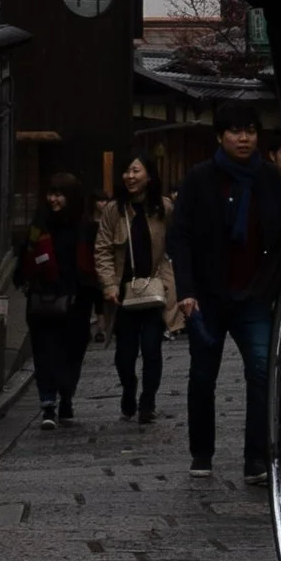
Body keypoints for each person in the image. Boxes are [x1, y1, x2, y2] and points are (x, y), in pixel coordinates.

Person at [169, 107, 281, 482]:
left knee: (261, 371)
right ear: (220, 136)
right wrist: (186, 291)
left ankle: (256, 456)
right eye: (236, 131)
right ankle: (201, 452)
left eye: (250, 131)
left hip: (254, 294)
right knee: (203, 376)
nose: (244, 138)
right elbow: (181, 237)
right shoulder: (200, 179)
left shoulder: (268, 178)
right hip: (209, 294)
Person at [95, 153, 173, 423]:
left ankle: (148, 401)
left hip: (155, 289)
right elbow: (103, 249)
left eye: (136, 170)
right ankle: (129, 387)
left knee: (152, 348)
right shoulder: (113, 210)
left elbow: (175, 245)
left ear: (149, 176)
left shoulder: (163, 207)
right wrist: (108, 285)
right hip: (123, 294)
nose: (130, 176)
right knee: (124, 355)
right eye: (127, 171)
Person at [17, 172, 99, 426]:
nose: (53, 199)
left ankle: (66, 396)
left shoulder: (85, 227)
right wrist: (23, 278)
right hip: (43, 299)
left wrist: (99, 302)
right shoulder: (39, 224)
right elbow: (26, 255)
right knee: (45, 352)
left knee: (72, 352)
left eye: (60, 194)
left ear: (71, 197)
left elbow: (92, 267)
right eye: (51, 193)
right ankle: (48, 403)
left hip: (76, 302)